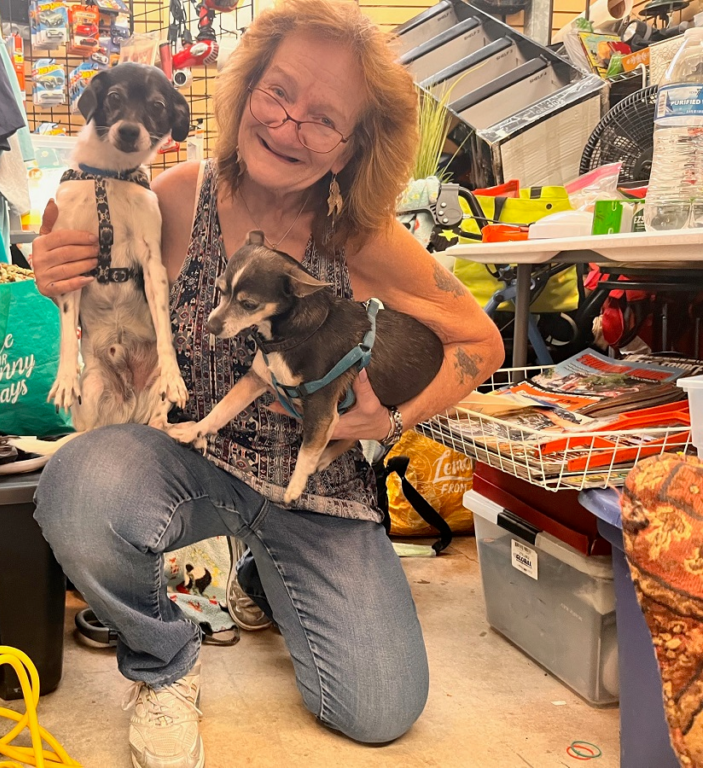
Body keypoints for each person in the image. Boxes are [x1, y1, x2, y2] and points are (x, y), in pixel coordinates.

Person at [29, 0, 505, 765]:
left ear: (354, 146)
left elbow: (480, 338)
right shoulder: (177, 194)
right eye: (278, 93)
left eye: (324, 119)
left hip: (315, 488)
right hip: (187, 457)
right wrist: (48, 267)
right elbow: (80, 268)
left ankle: (259, 580)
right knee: (80, 489)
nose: (289, 127)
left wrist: (394, 416)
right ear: (244, 89)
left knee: (381, 707)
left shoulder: (361, 236)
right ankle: (162, 660)